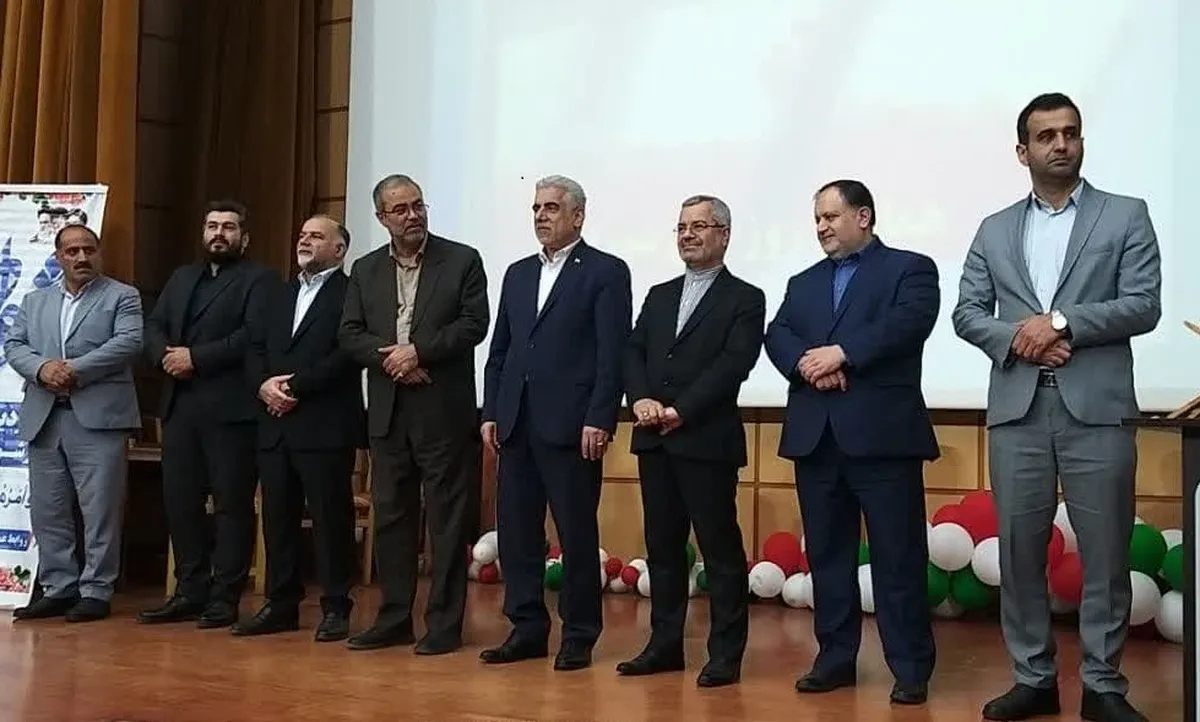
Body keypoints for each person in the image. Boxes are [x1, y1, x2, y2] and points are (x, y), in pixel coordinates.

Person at [952, 93, 1160, 722]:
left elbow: (1144, 304)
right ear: (1024, 151)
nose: (1061, 144)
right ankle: (1034, 679)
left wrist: (1062, 323)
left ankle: (1103, 686)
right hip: (1018, 411)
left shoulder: (1125, 214)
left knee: (1106, 552)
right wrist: (1023, 338)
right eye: (1046, 136)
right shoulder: (994, 228)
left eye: (1070, 132)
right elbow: (966, 312)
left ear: (1082, 141)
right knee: (1020, 552)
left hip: (1097, 410)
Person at [764, 179, 939, 705]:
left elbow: (908, 324)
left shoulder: (910, 268)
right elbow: (778, 333)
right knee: (827, 557)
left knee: (897, 558)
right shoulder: (803, 281)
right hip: (817, 438)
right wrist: (807, 365)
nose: (821, 227)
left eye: (831, 217)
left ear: (863, 217)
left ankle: (910, 667)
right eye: (817, 219)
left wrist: (841, 353)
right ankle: (835, 658)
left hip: (883, 438)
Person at [480, 174, 632, 671]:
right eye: (536, 208)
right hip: (516, 423)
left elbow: (613, 354)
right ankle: (526, 628)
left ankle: (579, 634)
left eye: (551, 207)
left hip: (572, 426)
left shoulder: (605, 271)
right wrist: (491, 411)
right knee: (517, 535)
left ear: (578, 216)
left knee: (576, 535)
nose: (541, 216)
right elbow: (500, 351)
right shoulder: (518, 273)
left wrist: (600, 417)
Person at [339, 174, 489, 654]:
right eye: (400, 209)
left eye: (418, 205)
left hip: (443, 412)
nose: (413, 216)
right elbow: (349, 333)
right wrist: (394, 361)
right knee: (393, 519)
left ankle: (443, 624)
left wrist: (418, 352)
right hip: (388, 413)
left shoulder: (462, 260)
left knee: (446, 522)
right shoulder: (365, 269)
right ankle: (394, 618)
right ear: (381, 217)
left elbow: (474, 324)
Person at [618, 195, 764, 687]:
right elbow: (634, 349)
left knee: (719, 552)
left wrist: (682, 409)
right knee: (662, 549)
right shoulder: (659, 294)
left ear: (724, 234)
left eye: (699, 226)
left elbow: (734, 363)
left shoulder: (745, 297)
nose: (688, 235)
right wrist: (640, 398)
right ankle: (663, 647)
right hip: (654, 439)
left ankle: (725, 655)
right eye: (682, 227)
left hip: (705, 440)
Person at [138, 200, 276, 628]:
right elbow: (154, 325)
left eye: (229, 227)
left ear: (244, 238)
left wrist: (196, 357)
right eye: (212, 226)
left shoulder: (260, 279)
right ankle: (189, 591)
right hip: (180, 407)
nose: (219, 233)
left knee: (232, 506)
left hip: (231, 410)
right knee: (181, 504)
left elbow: (253, 336)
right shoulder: (182, 277)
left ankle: (224, 597)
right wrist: (165, 356)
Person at [234, 215, 364, 642]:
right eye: (303, 234)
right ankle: (281, 603)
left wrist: (295, 386)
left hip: (324, 423)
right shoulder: (279, 293)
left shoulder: (352, 293)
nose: (304, 241)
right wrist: (262, 385)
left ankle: (336, 606)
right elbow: (254, 346)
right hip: (275, 422)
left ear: (339, 249)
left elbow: (348, 353)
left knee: (330, 519)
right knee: (278, 518)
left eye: (317, 236)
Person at [4, 224, 143, 622]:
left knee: (100, 509)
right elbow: (14, 345)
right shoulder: (35, 300)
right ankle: (59, 587)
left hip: (99, 420)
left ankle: (96, 590)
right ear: (58, 257)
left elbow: (128, 343)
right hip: (46, 417)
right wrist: (42, 368)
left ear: (98, 253)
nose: (82, 257)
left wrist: (72, 369)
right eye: (72, 251)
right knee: (48, 510)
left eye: (88, 249)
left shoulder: (122, 296)